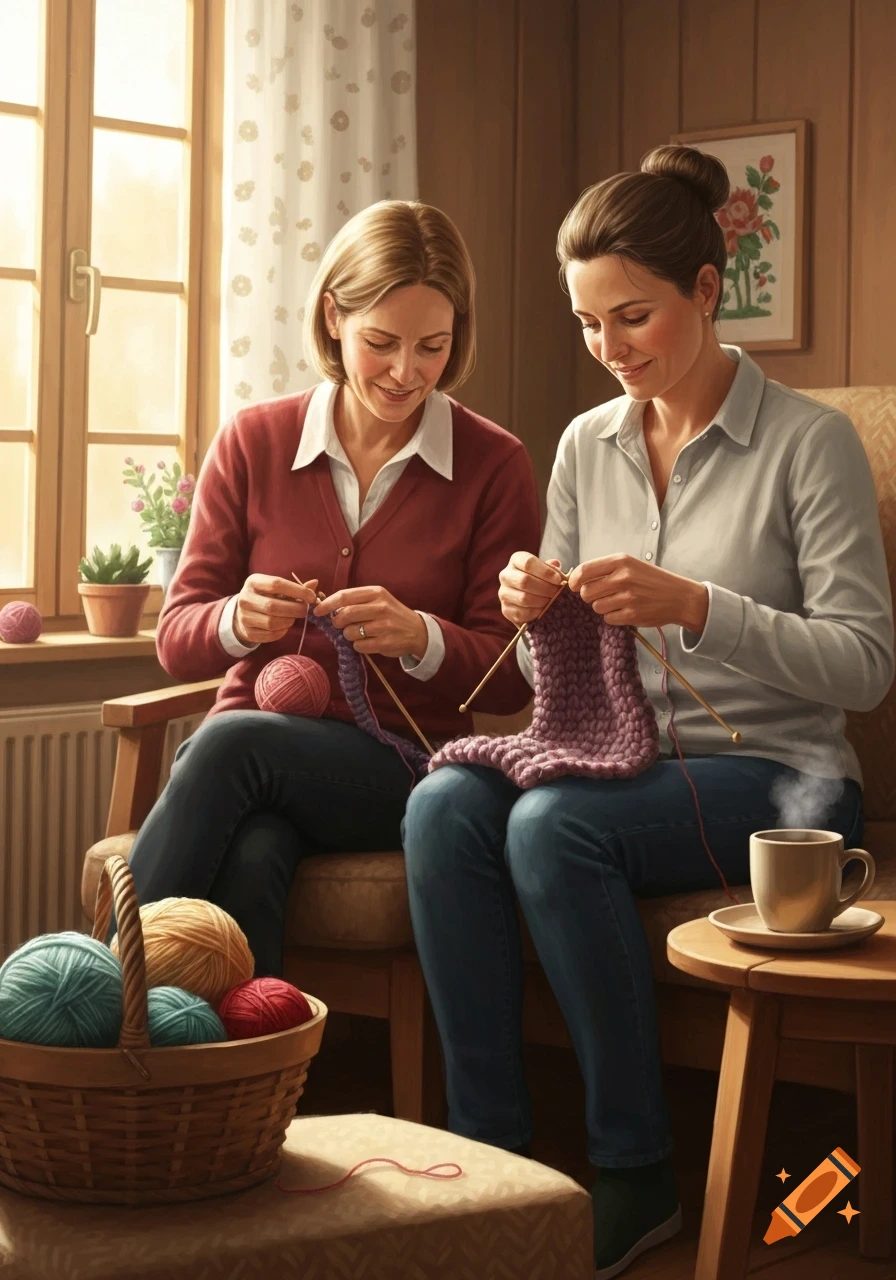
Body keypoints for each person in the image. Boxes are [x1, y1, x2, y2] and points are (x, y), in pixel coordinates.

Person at [401, 146, 894, 1278]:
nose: (608, 349)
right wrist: (526, 603)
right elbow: (562, 663)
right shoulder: (587, 442)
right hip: (616, 751)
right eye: (585, 323)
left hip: (782, 773)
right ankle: (494, 1158)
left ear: (706, 291)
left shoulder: (806, 445)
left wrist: (697, 607)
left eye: (632, 317)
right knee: (440, 802)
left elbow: (864, 665)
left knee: (548, 824)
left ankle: (634, 1168)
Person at [116, 200, 540, 977]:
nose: (406, 372)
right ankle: (241, 1086)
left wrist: (422, 637)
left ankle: (110, 999)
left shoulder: (494, 465)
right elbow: (177, 639)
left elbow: (511, 679)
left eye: (432, 347)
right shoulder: (255, 440)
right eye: (381, 342)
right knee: (255, 853)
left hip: (407, 767)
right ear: (333, 317)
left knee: (230, 741)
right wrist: (239, 619)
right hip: (263, 764)